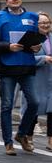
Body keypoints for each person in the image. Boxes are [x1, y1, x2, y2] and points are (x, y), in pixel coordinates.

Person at [0, 0, 41, 155]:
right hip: (7, 67)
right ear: (6, 0)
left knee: (34, 103)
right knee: (6, 106)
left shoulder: (32, 18)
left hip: (27, 66)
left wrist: (37, 47)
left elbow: (38, 39)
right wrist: (8, 47)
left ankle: (22, 134)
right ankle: (8, 142)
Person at [31, 12, 52, 150]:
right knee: (34, 108)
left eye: (47, 22)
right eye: (41, 23)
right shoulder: (32, 39)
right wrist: (43, 58)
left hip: (51, 78)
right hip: (37, 78)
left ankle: (51, 140)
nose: (45, 25)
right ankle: (27, 135)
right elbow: (26, 59)